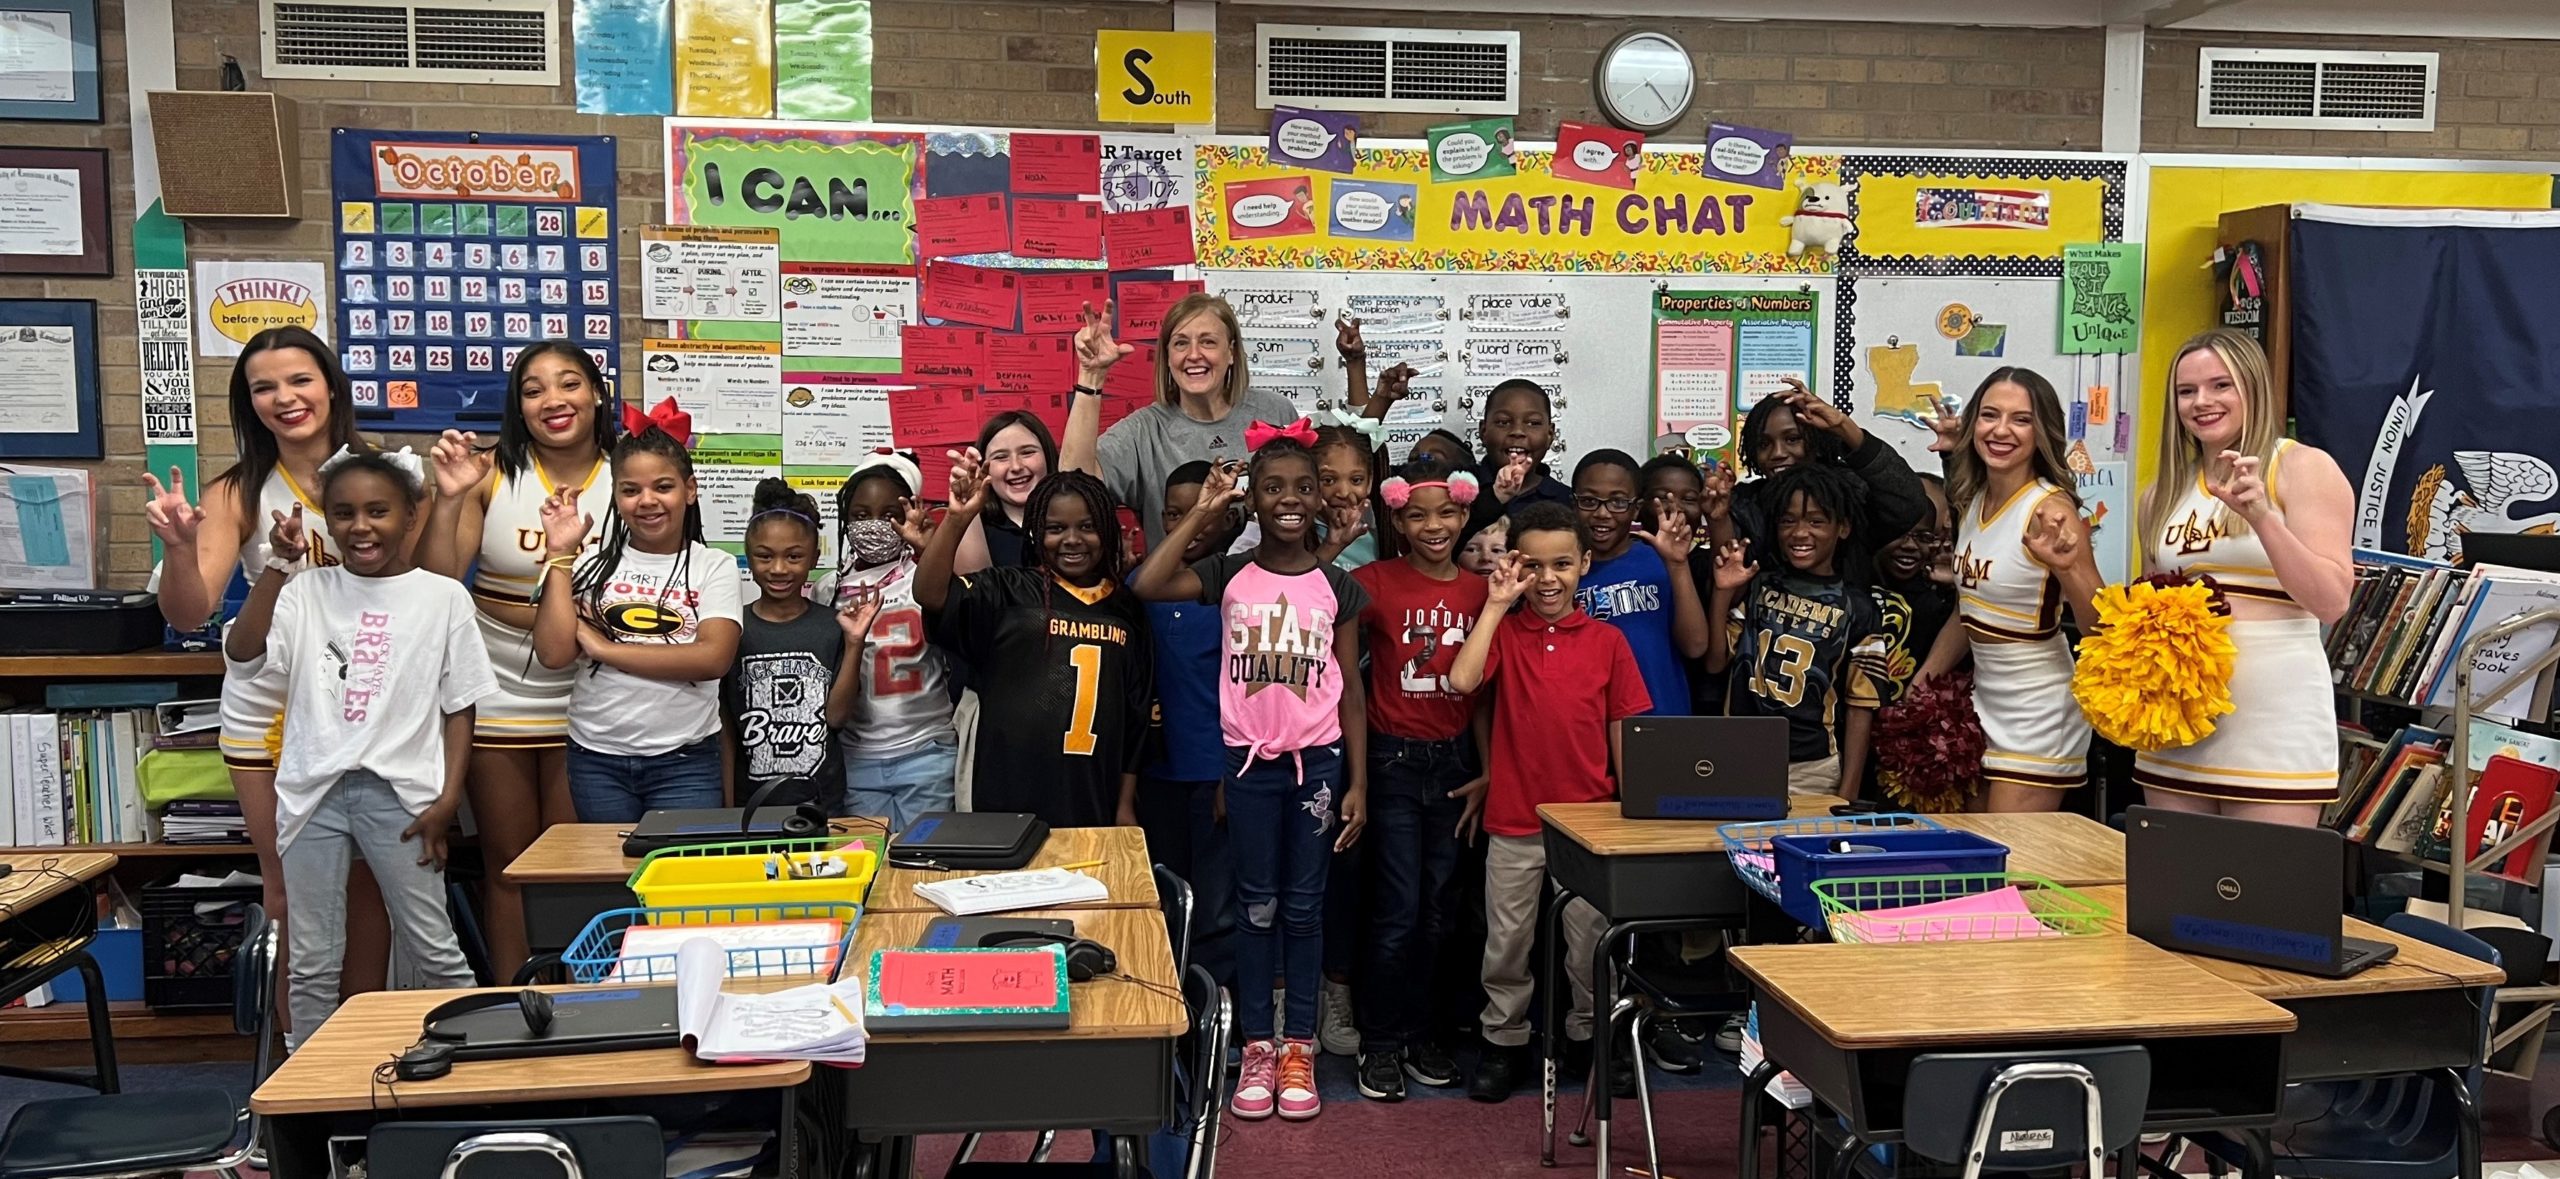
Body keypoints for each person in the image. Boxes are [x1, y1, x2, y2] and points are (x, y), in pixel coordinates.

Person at [140, 326, 389, 1015]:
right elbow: (189, 611)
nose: (285, 397)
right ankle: (298, 1054)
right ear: (248, 403)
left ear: (331, 386)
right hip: (272, 708)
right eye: (263, 387)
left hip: (368, 704)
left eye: (299, 380)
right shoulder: (238, 490)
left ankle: (360, 1046)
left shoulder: (389, 473)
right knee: (288, 890)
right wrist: (180, 549)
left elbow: (425, 586)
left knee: (370, 885)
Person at [1129, 426, 1370, 1123]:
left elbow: (1352, 691)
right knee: (1255, 906)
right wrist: (1207, 508)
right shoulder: (1228, 574)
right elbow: (1149, 582)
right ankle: (1257, 1045)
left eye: (1303, 487)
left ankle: (1299, 1047)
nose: (1289, 499)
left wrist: (1358, 783)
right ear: (1253, 501)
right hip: (1248, 768)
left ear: (1320, 498)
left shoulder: (1337, 585)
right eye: (1273, 488)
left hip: (1318, 767)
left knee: (1304, 907)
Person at [225, 449, 490, 1046]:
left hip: (404, 797)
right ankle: (313, 1084)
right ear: (328, 518)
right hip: (313, 795)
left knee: (433, 947)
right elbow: (243, 653)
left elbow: (461, 706)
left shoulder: (443, 597)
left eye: (378, 511)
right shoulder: (304, 591)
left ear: (411, 514)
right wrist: (277, 566)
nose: (361, 526)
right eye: (343, 513)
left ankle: (479, 1067)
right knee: (312, 962)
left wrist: (448, 799)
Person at [419, 341, 613, 977]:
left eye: (569, 384)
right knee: (507, 863)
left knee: (575, 864)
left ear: (597, 393)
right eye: (534, 390)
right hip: (497, 686)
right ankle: (511, 1003)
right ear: (518, 407)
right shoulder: (491, 472)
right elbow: (437, 579)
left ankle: (580, 1005)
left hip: (592, 687)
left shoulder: (627, 473)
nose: (553, 400)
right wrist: (449, 498)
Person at [1449, 502, 1650, 1103]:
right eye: (1532, 566)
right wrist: (1495, 604)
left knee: (1590, 942)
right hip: (1515, 817)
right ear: (1514, 567)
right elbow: (1462, 681)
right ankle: (1503, 1039)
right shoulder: (1505, 633)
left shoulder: (1609, 641)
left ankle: (1592, 1037)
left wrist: (1630, 812)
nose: (1548, 579)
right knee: (1507, 942)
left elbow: (1623, 729)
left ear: (1584, 564)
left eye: (1561, 564)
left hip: (1588, 820)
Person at [2131, 330, 2354, 823]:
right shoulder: (2159, 493)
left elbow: (2331, 601)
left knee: (2264, 873)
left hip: (2275, 715)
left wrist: (2262, 517)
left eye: (2220, 385)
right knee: (2176, 871)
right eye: (2186, 391)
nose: (2202, 402)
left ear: (2253, 387)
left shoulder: (2303, 468)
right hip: (2178, 721)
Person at [1347, 454, 1489, 1102]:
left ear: (1465, 513)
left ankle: (1421, 1033)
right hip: (1393, 763)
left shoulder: (1481, 591)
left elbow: (1482, 695)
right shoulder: (1374, 581)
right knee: (1397, 909)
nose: (1434, 527)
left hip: (1455, 765)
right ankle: (1379, 1042)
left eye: (1447, 514)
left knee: (1439, 912)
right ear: (1398, 521)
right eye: (1418, 516)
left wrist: (1488, 769)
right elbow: (1344, 669)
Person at [532, 403, 744, 821]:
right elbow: (554, 654)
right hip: (596, 759)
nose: (647, 501)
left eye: (663, 487)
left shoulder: (714, 566)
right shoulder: (586, 564)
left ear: (690, 490)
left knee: (680, 865)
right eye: (630, 490)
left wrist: (605, 649)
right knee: (608, 864)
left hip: (685, 760)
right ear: (616, 495)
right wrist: (559, 553)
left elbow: (711, 659)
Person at [916, 457, 1152, 829]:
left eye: (1088, 527)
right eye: (1055, 528)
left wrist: (1125, 803)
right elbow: (930, 595)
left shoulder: (1125, 608)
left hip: (1092, 795)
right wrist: (958, 520)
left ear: (1108, 531)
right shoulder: (1006, 590)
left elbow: (1135, 719)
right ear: (1035, 533)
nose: (1072, 539)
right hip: (1005, 793)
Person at [1915, 369, 2098, 812]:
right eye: (1990, 415)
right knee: (1973, 850)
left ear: (2043, 432)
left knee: (2011, 853)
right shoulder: (1975, 500)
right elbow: (1969, 611)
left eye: (2021, 419)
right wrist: (1922, 684)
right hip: (1981, 708)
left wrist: (2069, 569)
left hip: (2039, 713)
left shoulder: (2050, 510)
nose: (2001, 430)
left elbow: (2102, 626)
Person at [1706, 463, 1911, 799]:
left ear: (1842, 528)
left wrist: (1848, 791)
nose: (1800, 533)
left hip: (1812, 768)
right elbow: (1716, 662)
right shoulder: (1758, 585)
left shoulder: (1858, 609)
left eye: (1816, 521)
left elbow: (1861, 707)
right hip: (1738, 754)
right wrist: (1722, 593)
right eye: (1788, 521)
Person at [1064, 296, 1301, 545]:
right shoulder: (1143, 431)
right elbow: (1072, 489)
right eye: (1181, 343)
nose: (1194, 354)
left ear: (1231, 352)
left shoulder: (1275, 411)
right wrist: (1091, 375)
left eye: (1208, 342)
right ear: (1167, 357)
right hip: (1175, 571)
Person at [1138, 462, 1241, 987]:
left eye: (1202, 513)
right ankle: (1163, 1003)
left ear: (1230, 518)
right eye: (1175, 515)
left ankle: (1212, 1014)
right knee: (1160, 898)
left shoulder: (1236, 587)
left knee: (1217, 908)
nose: (1190, 524)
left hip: (1215, 774)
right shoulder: (1141, 584)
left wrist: (1229, 773)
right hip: (1156, 775)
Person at [722, 480, 881, 815]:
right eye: (765, 556)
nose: (779, 569)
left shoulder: (833, 626)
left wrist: (854, 643)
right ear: (748, 557)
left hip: (822, 805)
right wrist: (727, 804)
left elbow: (836, 718)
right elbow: (726, 730)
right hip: (751, 806)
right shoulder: (732, 628)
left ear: (814, 558)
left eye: (794, 556)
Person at [829, 451, 959, 829]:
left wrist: (928, 550)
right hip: (858, 759)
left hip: (927, 751)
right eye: (860, 514)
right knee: (866, 860)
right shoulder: (828, 591)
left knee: (925, 857)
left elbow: (964, 624)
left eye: (888, 514)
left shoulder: (927, 578)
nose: (874, 524)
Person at [1712, 380, 1927, 560]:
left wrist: (1843, 427)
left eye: (1792, 439)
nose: (1777, 453)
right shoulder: (1746, 505)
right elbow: (1724, 569)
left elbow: (1907, 503)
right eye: (1763, 444)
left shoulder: (1850, 495)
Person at [1571, 450, 1709, 716]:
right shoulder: (1563, 573)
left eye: (1618, 502)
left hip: (1662, 723)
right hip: (1591, 725)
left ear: (1636, 508)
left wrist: (1678, 565)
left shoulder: (1662, 561)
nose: (1602, 513)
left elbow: (1695, 646)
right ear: (1573, 503)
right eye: (1589, 501)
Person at [952, 410, 1058, 574]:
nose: (1016, 466)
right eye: (1001, 457)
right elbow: (976, 586)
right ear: (984, 469)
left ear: (1047, 456)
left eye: (1027, 452)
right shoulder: (981, 530)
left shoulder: (1074, 520)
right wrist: (969, 505)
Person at [1473, 379, 1574, 526]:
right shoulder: (1458, 490)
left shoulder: (1567, 501)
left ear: (1550, 435)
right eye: (1503, 422)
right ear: (1483, 431)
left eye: (1533, 423)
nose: (1517, 431)